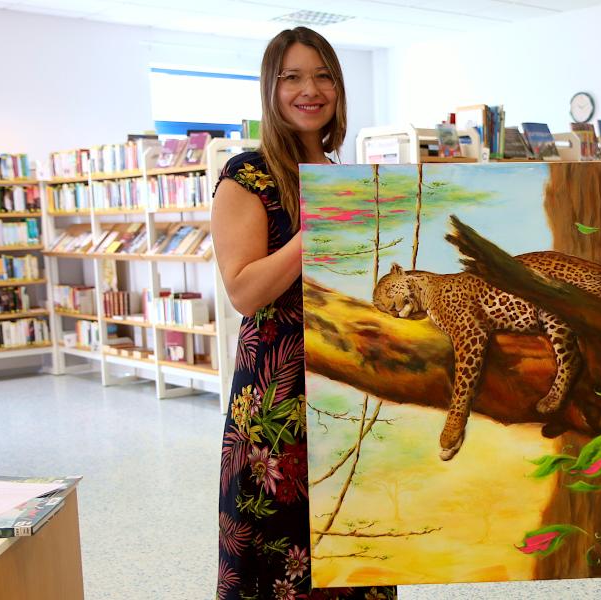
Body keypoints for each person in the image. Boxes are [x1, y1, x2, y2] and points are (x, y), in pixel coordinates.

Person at [211, 27, 396, 600]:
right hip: (279, 403)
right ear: (271, 88)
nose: (308, 90)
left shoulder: (346, 175)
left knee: (357, 552)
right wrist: (315, 227)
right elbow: (244, 292)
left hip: (351, 391)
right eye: (291, 77)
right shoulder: (247, 176)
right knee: (281, 560)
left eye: (322, 76)